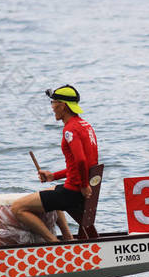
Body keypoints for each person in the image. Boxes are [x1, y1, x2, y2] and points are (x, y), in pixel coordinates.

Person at [11, 84, 98, 242]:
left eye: (53, 103)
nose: (52, 108)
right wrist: (53, 176)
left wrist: (84, 185)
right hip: (78, 189)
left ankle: (54, 244)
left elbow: (81, 160)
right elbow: (86, 163)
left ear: (63, 106)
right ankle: (68, 237)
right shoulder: (86, 126)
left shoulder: (70, 129)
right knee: (52, 189)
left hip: (74, 192)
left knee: (17, 208)